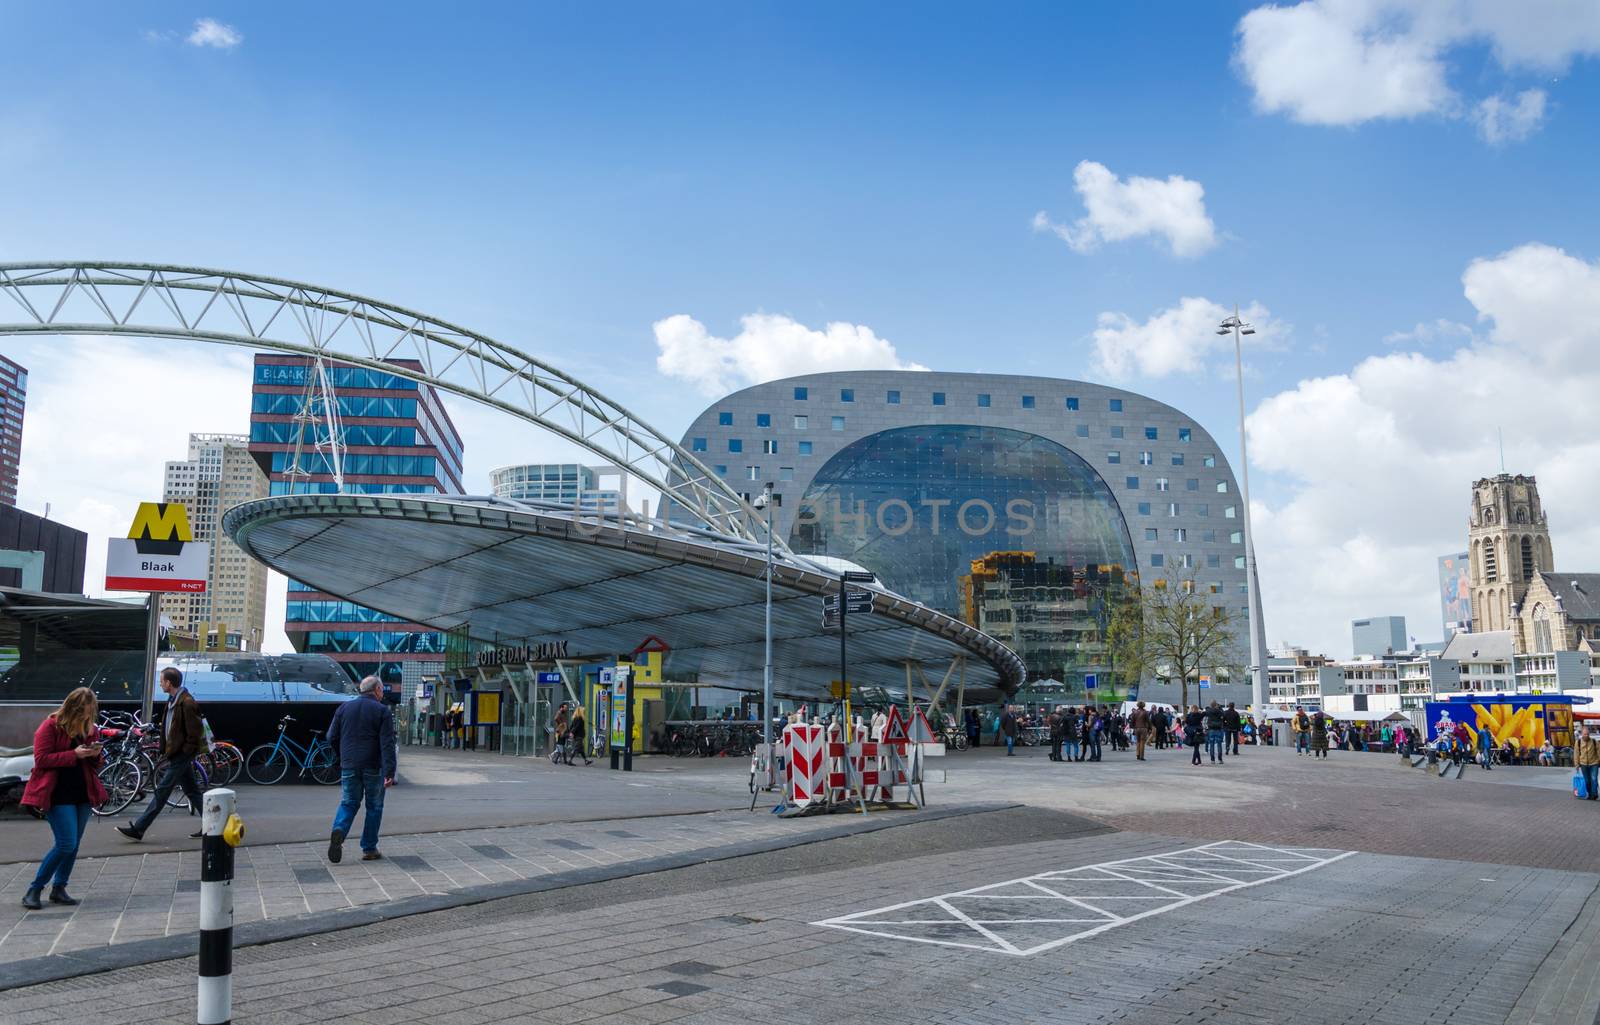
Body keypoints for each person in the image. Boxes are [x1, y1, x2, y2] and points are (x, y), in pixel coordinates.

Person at [20, 687, 107, 910]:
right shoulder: (50, 726)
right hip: (57, 793)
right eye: (83, 713)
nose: (87, 717)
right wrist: (73, 755)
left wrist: (95, 755)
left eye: (90, 713)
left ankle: (59, 888)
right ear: (72, 709)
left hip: (82, 792)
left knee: (73, 844)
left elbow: (96, 765)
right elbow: (41, 760)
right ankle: (35, 888)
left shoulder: (91, 729)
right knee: (66, 843)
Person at [119, 667, 205, 842]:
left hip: (181, 754)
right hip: (176, 753)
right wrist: (165, 749)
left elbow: (195, 732)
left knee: (162, 791)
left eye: (162, 681)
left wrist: (185, 752)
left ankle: (139, 828)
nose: (160, 683)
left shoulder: (186, 702)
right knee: (193, 791)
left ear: (169, 683)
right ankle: (215, 825)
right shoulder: (173, 700)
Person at [326, 676, 398, 863]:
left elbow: (331, 737)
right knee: (374, 807)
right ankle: (369, 848)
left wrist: (342, 757)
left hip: (349, 764)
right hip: (373, 766)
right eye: (382, 690)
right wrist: (390, 772)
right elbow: (387, 744)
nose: (382, 693)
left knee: (348, 802)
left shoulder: (344, 708)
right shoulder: (382, 711)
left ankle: (339, 831)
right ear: (377, 690)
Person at [1575, 726, 1600, 799]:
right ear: (1582, 734)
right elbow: (1576, 754)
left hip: (1594, 763)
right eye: (1585, 734)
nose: (1586, 735)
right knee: (1587, 781)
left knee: (1594, 779)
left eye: (1588, 734)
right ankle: (1590, 793)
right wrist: (1576, 764)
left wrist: (1599, 760)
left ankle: (1594, 794)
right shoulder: (1578, 742)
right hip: (1583, 764)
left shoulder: (1594, 741)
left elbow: (1599, 752)